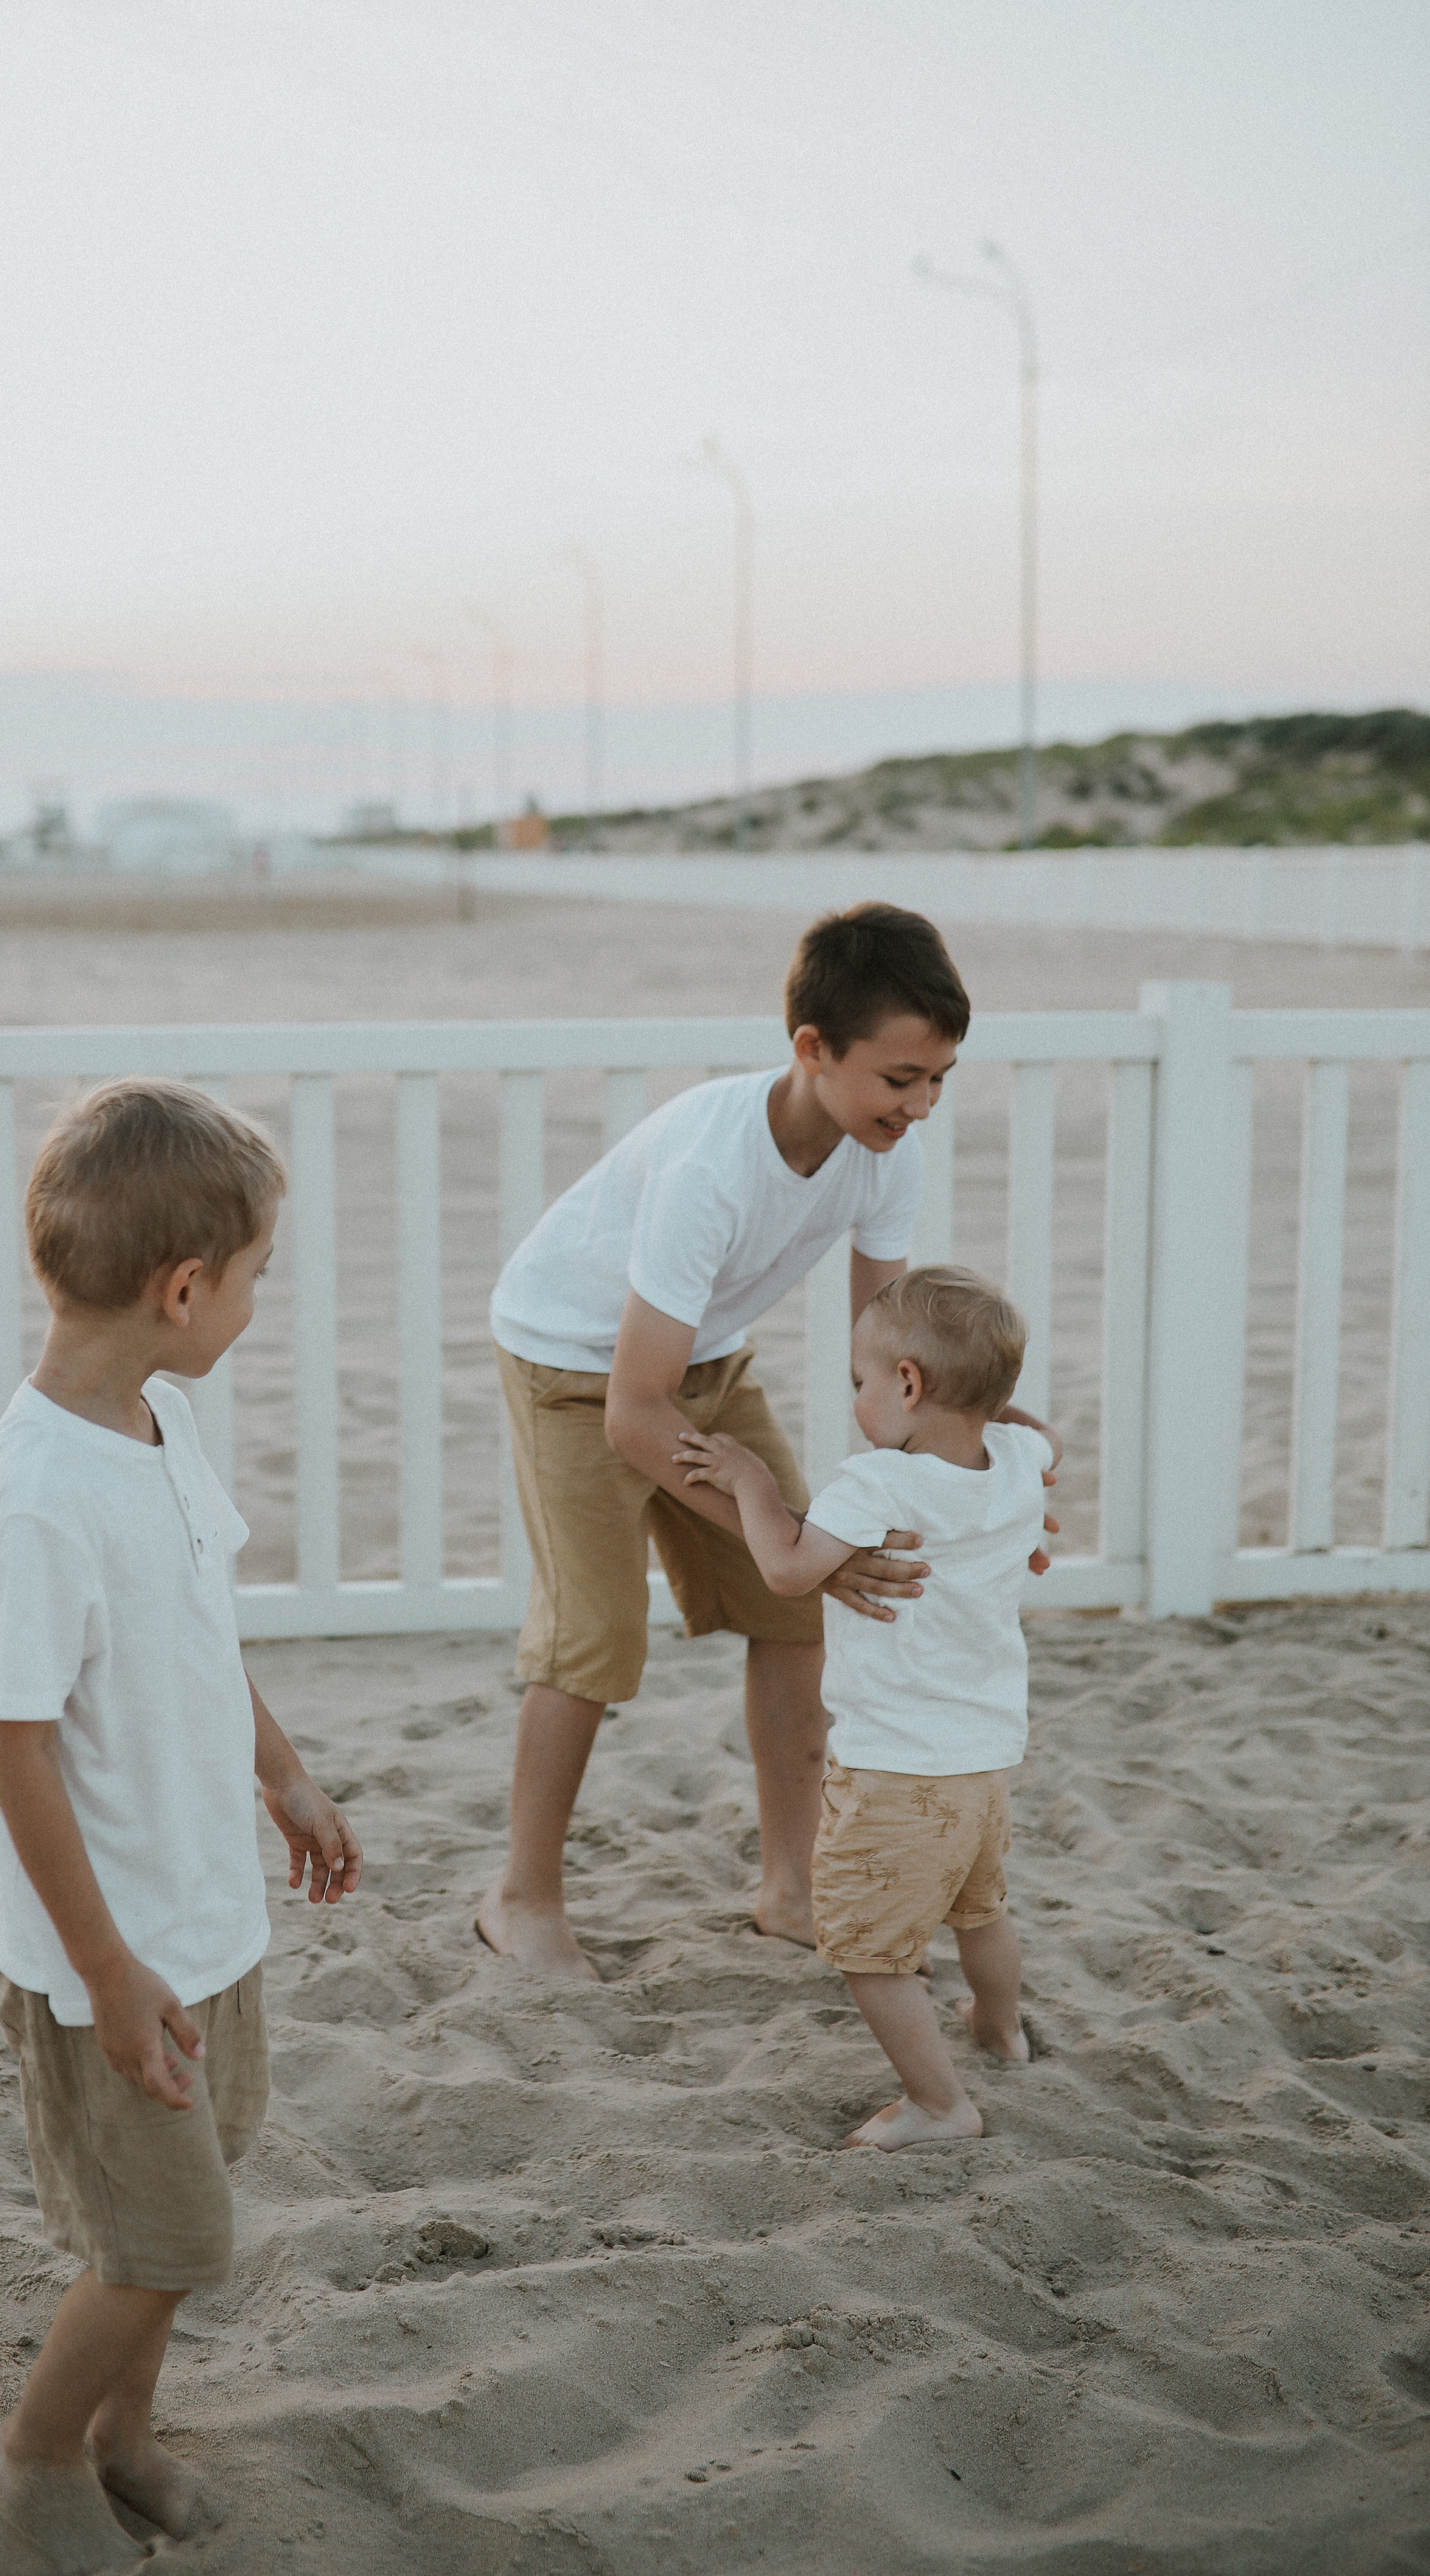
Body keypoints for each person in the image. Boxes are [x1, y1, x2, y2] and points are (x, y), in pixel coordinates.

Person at [0, 1080, 361, 2572]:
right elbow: (14, 1757)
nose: (256, 1302)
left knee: (192, 2189)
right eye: (256, 1277)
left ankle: (125, 2434)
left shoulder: (153, 1419)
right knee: (164, 2241)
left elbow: (200, 1624)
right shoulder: (36, 1500)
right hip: (104, 1950)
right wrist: (108, 1971)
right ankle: (33, 2449)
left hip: (207, 1912)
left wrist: (285, 1774)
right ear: (183, 1289)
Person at [476, 903, 973, 1978]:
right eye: (899, 1078)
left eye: (939, 1077)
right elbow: (632, 1413)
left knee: (788, 1605)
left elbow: (885, 1364)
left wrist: (980, 1459)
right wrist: (787, 1524)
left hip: (702, 1360)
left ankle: (793, 1891)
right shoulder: (711, 1167)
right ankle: (521, 1899)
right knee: (594, 1638)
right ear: (811, 1049)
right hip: (575, 1366)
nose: (921, 1104)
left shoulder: (887, 1154)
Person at [675, 1263, 1055, 2150]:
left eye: (859, 1382)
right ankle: (1001, 2028)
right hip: (985, 1755)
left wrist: (749, 1481)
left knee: (866, 1949)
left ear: (908, 1383)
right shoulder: (1017, 1461)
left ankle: (937, 2102)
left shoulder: (876, 1485)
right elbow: (1047, 1443)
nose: (856, 1401)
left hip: (894, 1766)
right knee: (980, 1909)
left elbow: (785, 1570)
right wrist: (1008, 1427)